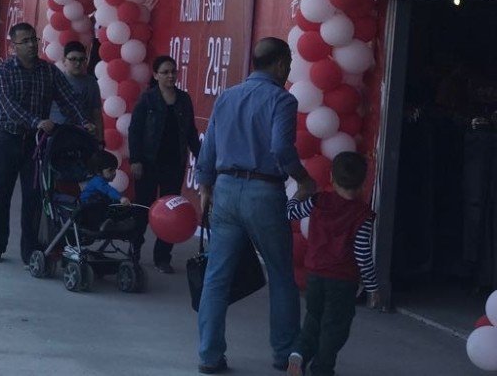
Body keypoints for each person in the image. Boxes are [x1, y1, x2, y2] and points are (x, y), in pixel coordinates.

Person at [194, 37, 317, 374]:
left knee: (217, 277)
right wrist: (303, 179)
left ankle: (208, 355)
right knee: (280, 274)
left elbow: (209, 148)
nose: (290, 69)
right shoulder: (282, 100)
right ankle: (284, 353)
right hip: (264, 191)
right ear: (277, 64)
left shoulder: (227, 96)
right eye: (288, 63)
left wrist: (205, 187)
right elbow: (280, 148)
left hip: (226, 188)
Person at [0, 22, 93, 264]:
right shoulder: (4, 71)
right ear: (14, 46)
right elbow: (9, 107)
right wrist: (36, 121)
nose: (33, 45)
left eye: (34, 39)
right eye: (26, 41)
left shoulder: (49, 71)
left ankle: (30, 251)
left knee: (35, 198)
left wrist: (83, 121)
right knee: (0, 195)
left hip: (36, 145)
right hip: (7, 140)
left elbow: (68, 99)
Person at [287, 152, 379, 376]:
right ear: (364, 182)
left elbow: (290, 212)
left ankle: (298, 353)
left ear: (331, 177)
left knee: (313, 317)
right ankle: (322, 369)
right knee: (334, 327)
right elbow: (362, 253)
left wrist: (298, 195)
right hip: (342, 281)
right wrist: (373, 286)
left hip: (315, 275)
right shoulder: (362, 215)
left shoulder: (318, 201)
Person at [129, 54, 201, 272]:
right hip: (149, 163)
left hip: (174, 164)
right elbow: (135, 130)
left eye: (173, 72)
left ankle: (162, 257)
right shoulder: (148, 99)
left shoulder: (184, 99)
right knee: (142, 209)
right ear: (155, 75)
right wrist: (136, 159)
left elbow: (190, 132)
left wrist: (201, 157)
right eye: (165, 72)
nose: (171, 76)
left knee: (171, 211)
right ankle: (133, 251)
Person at [50, 41, 103, 139]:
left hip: (82, 136)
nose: (78, 63)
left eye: (82, 59)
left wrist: (100, 140)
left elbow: (97, 115)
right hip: (57, 137)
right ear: (64, 61)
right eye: (73, 59)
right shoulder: (54, 81)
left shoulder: (91, 83)